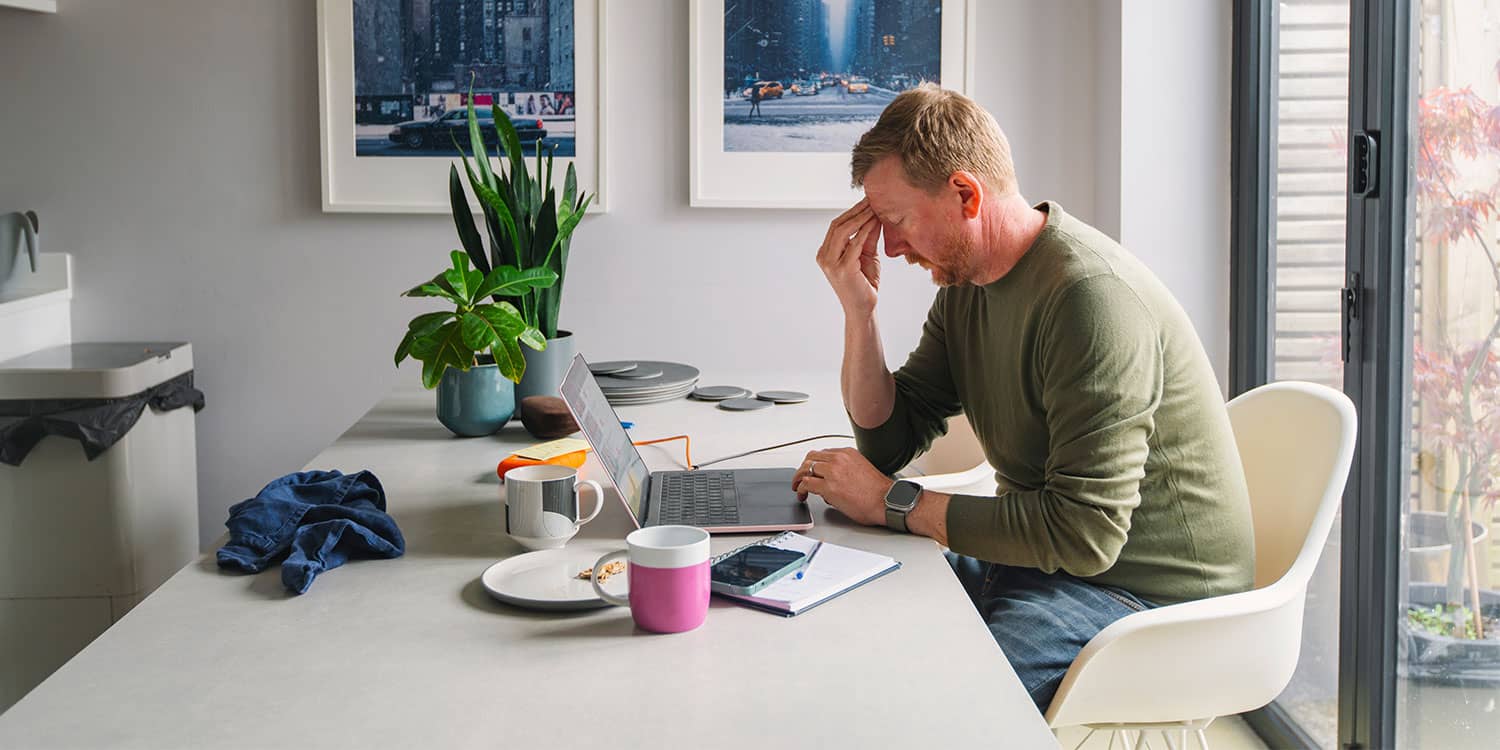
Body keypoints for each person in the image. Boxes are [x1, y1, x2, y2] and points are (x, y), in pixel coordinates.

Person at [793, 84, 1255, 712]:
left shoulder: (1089, 300)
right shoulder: (968, 287)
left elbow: (1085, 535)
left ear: (965, 194)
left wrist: (892, 503)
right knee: (852, 625)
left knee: (947, 708)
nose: (891, 248)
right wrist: (858, 312)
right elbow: (892, 441)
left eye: (896, 222)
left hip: (1152, 598)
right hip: (1047, 565)